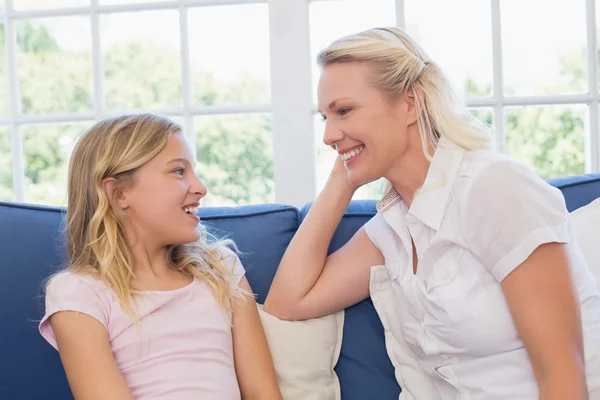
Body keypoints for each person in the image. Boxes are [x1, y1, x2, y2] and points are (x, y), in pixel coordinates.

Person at [264, 27, 600, 399]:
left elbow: (564, 377)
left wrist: (352, 153)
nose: (328, 135)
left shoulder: (497, 189)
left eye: (344, 111)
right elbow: (287, 304)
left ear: (410, 103)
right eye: (324, 117)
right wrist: (342, 178)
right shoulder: (391, 226)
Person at [39, 114, 282, 400]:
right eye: (179, 171)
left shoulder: (221, 267)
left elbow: (263, 393)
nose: (200, 187)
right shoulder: (78, 292)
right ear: (119, 194)